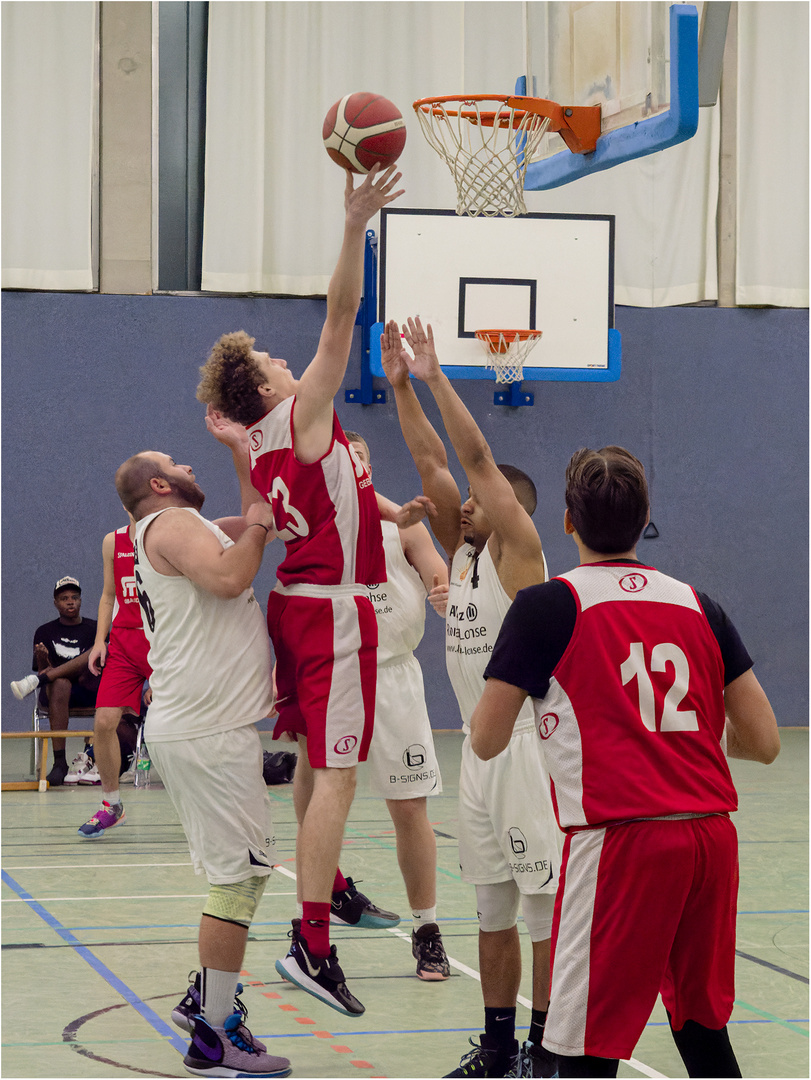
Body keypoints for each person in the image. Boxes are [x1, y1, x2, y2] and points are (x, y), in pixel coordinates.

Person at [471, 445, 781, 1079]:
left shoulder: (549, 606)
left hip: (622, 843)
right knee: (701, 1026)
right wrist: (671, 742)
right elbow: (766, 740)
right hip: (709, 841)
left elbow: (484, 740)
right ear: (646, 518)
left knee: (578, 1049)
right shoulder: (699, 605)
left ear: (567, 521)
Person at [195, 162, 404, 1019]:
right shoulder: (302, 414)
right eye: (275, 363)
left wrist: (232, 442)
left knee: (322, 764)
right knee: (343, 776)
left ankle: (325, 902)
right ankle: (312, 940)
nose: (291, 362)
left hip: (297, 606)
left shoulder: (267, 443)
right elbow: (341, 316)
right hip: (334, 612)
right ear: (272, 390)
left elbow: (258, 495)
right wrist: (353, 223)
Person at [381, 318, 560, 1077]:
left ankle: (548, 1048)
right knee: (488, 912)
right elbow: (431, 458)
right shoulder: (460, 546)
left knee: (540, 912)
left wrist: (434, 376)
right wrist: (397, 388)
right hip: (478, 756)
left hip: (529, 751)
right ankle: (496, 1046)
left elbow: (473, 457)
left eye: (479, 504)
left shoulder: (522, 555)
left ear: (511, 510)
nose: (464, 508)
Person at [114, 449, 291, 1078]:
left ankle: (205, 1001)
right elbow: (229, 578)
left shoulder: (181, 528)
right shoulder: (171, 525)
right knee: (238, 881)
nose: (189, 464)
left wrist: (244, 452)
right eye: (176, 461)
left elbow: (247, 518)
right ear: (160, 485)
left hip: (204, 729)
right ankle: (213, 1035)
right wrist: (265, 526)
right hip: (206, 731)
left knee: (241, 874)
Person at [339, 431, 451, 980]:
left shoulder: (399, 523)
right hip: (334, 674)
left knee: (409, 810)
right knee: (322, 800)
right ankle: (327, 901)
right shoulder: (315, 521)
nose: (351, 465)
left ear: (368, 463)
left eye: (359, 456)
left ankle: (427, 930)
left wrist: (443, 587)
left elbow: (434, 565)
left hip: (392, 678)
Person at [77, 515, 153, 839]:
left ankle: (209, 805)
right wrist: (98, 642)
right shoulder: (113, 541)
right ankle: (112, 805)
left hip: (164, 640)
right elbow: (109, 595)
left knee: (184, 727)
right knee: (104, 721)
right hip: (124, 642)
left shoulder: (172, 533)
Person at [10, 577, 102, 786]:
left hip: (88, 687)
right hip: (58, 695)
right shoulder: (44, 632)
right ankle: (59, 763)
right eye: (64, 598)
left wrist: (45, 675)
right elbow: (45, 667)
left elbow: (98, 664)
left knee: (93, 653)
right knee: (60, 683)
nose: (70, 602)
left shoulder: (94, 628)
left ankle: (36, 681)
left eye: (74, 597)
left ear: (80, 600)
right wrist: (43, 660)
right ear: (55, 603)